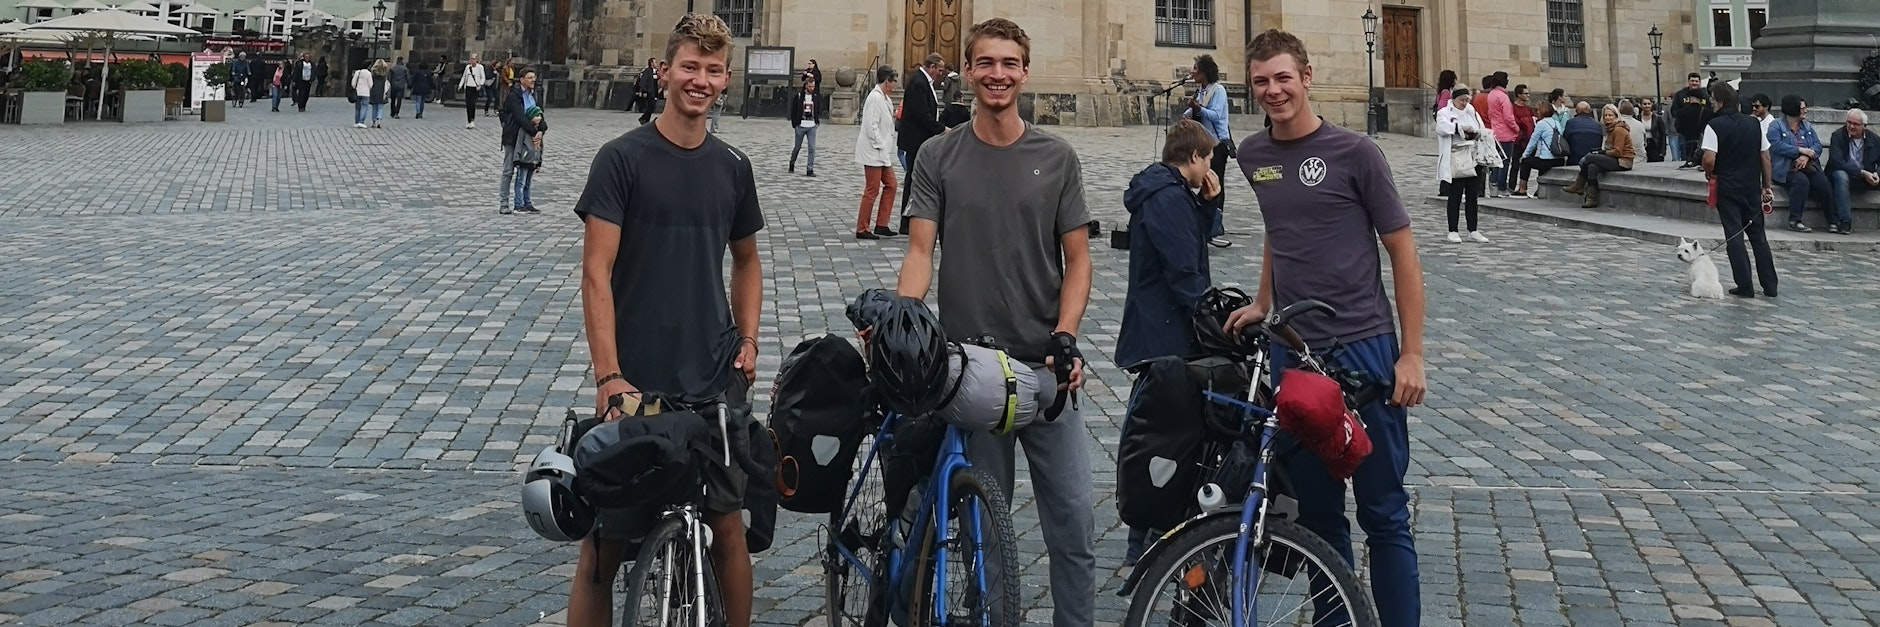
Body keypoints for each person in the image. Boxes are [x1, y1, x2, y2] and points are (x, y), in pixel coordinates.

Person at [896, 17, 1096, 627]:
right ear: (969, 70)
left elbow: (1079, 258)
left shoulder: (1057, 157)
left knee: (1076, 528)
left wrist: (1066, 333)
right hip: (973, 375)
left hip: (1046, 371)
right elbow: (919, 251)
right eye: (986, 63)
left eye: (1009, 64)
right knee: (984, 536)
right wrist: (904, 314)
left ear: (1025, 72)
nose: (998, 75)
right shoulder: (938, 154)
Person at [568, 13, 762, 627]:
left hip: (712, 372)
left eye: (710, 70)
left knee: (729, 528)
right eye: (688, 67)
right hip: (639, 379)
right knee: (604, 547)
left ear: (724, 78)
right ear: (664, 71)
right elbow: (595, 271)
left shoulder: (732, 165)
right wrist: (607, 376)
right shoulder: (621, 159)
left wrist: (750, 339)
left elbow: (748, 260)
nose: (698, 81)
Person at [1227, 28, 1425, 627]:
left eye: (1283, 77)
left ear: (1306, 77)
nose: (1273, 91)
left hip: (1364, 350)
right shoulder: (1252, 155)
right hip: (1296, 357)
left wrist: (1411, 354)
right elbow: (1277, 227)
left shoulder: (1356, 153)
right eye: (1261, 81)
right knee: (1317, 516)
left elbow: (1403, 252)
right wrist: (1264, 300)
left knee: (1384, 511)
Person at [1116, 118, 1219, 565]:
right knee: (1157, 437)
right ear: (1194, 157)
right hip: (1164, 335)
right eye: (1209, 158)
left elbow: (1193, 241)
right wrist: (1215, 320)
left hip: (1163, 331)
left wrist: (1210, 204)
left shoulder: (1173, 195)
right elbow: (1184, 272)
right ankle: (1144, 537)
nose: (1212, 167)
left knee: (1162, 433)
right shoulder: (1167, 199)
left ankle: (1154, 530)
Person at [1699, 82, 1778, 298]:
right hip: (1751, 186)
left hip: (1728, 187)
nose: (1712, 104)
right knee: (1758, 236)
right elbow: (1765, 157)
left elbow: (1708, 158)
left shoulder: (1714, 125)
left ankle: (1745, 285)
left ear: (1721, 102)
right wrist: (1766, 186)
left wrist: (1709, 172)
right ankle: (1770, 285)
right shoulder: (1754, 124)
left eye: (1713, 100)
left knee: (1734, 236)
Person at [1185, 54, 1233, 248]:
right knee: (1204, 180)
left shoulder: (1218, 90)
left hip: (1218, 143)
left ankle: (1216, 223)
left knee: (1216, 181)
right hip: (1204, 143)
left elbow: (1215, 115)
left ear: (1204, 71)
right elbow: (1196, 110)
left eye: (1195, 68)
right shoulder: (1201, 90)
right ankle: (1206, 219)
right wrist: (1188, 113)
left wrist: (1199, 108)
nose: (1192, 71)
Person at [896, 53, 947, 231]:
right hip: (916, 140)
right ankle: (906, 221)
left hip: (920, 139)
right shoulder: (918, 82)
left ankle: (913, 218)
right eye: (939, 70)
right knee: (913, 179)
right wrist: (941, 129)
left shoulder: (923, 82)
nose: (940, 74)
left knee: (917, 179)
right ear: (931, 67)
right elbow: (922, 114)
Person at [1768, 95, 1830, 232]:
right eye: (1802, 108)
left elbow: (1817, 145)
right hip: (1786, 168)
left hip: (1808, 166)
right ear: (1793, 109)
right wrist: (1799, 150)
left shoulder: (1807, 126)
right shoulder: (1776, 126)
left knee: (1823, 182)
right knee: (1801, 182)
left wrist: (1806, 156)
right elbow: (1776, 146)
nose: (1805, 111)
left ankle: (1833, 220)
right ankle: (1794, 220)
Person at [1436, 86, 1488, 243]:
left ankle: (1473, 229)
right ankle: (1453, 230)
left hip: (1472, 156)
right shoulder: (1444, 112)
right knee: (1455, 195)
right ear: (1454, 99)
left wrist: (1477, 132)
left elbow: (1480, 127)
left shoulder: (1471, 111)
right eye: (1462, 100)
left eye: (1467, 100)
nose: (1464, 103)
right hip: (1456, 156)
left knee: (1473, 195)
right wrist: (1459, 128)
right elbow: (1441, 128)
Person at [853, 67, 899, 240]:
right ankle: (862, 227)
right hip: (873, 151)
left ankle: (882, 223)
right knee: (872, 189)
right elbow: (870, 125)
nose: (896, 84)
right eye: (894, 80)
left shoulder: (885, 98)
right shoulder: (874, 98)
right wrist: (879, 143)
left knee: (892, 185)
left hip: (883, 152)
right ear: (886, 80)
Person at [1563, 104, 1634, 208]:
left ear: (1616, 116)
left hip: (1623, 161)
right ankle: (1591, 198)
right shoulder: (1611, 129)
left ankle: (1579, 185)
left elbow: (1618, 152)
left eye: (1610, 115)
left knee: (1590, 157)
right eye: (1605, 115)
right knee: (1592, 167)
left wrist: (1602, 153)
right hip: (1615, 159)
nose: (1607, 117)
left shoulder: (1618, 129)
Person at [1825, 108, 1878, 234]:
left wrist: (1877, 174)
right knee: (1841, 175)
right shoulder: (1838, 136)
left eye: (1856, 124)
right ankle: (1845, 221)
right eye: (1849, 122)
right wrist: (1862, 172)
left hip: (1865, 177)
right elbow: (1837, 161)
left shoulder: (1874, 139)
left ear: (1864, 126)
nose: (1851, 126)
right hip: (1840, 174)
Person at [501, 67, 545, 215]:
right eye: (530, 77)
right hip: (513, 136)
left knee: (527, 168)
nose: (533, 80)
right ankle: (504, 203)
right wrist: (534, 132)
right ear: (522, 79)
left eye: (534, 77)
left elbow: (540, 113)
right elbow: (520, 117)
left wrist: (541, 131)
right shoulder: (514, 95)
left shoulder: (534, 95)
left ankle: (525, 202)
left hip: (529, 138)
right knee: (508, 170)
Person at [1512, 101, 1566, 198]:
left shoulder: (1541, 124)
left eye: (1537, 110)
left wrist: (1524, 156)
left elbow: (1532, 142)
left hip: (1547, 160)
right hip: (1559, 159)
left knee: (1526, 162)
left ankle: (1522, 189)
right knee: (1541, 161)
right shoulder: (1556, 123)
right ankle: (1539, 190)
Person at [1479, 73, 1517, 198]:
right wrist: (1516, 128)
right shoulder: (1503, 96)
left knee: (1495, 161)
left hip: (1495, 131)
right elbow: (1508, 117)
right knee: (1505, 161)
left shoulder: (1491, 95)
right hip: (1505, 132)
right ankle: (1501, 187)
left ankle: (1493, 185)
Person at [1672, 72, 1709, 167]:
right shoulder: (1680, 94)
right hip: (1686, 129)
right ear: (1688, 81)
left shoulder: (1705, 95)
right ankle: (1687, 161)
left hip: (1701, 129)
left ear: (1699, 82)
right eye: (1692, 81)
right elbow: (1674, 110)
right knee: (1685, 151)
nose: (1694, 83)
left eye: (1696, 81)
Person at [787, 76, 823, 176]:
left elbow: (818, 108)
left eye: (813, 86)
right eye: (810, 86)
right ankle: (792, 162)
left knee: (812, 148)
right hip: (800, 125)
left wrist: (816, 121)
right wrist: (795, 124)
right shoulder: (798, 96)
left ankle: (810, 169)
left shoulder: (815, 96)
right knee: (797, 147)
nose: (812, 88)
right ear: (806, 86)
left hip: (812, 125)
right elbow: (793, 110)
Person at [458, 54, 489, 129]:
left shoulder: (480, 67)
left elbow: (483, 77)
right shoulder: (468, 67)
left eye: (474, 59)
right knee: (468, 104)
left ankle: (472, 120)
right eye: (471, 59)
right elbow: (464, 76)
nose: (472, 60)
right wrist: (460, 85)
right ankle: (468, 121)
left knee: (472, 103)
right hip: (468, 87)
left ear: (477, 60)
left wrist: (480, 85)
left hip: (475, 87)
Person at [1638, 98, 1668, 162]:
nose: (1647, 106)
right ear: (1640, 105)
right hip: (1642, 144)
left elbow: (1663, 134)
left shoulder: (1658, 118)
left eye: (1649, 104)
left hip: (1654, 143)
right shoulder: (1637, 118)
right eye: (1645, 104)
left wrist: (1663, 151)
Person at [633, 57, 659, 125]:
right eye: (655, 62)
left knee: (652, 106)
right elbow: (643, 82)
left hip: (653, 92)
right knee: (651, 106)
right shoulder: (647, 71)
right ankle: (644, 118)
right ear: (651, 63)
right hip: (649, 91)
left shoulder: (655, 71)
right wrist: (643, 91)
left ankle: (645, 119)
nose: (656, 63)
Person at [349, 62, 373, 128]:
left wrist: (355, 88)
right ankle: (361, 121)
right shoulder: (368, 73)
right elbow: (371, 84)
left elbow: (353, 83)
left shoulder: (357, 72)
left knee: (358, 108)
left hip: (358, 92)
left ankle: (357, 122)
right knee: (364, 107)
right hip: (366, 93)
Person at [367, 59, 390, 128]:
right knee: (380, 107)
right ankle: (379, 120)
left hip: (374, 91)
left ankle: (374, 121)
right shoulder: (385, 73)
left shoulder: (373, 73)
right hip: (382, 91)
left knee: (374, 107)